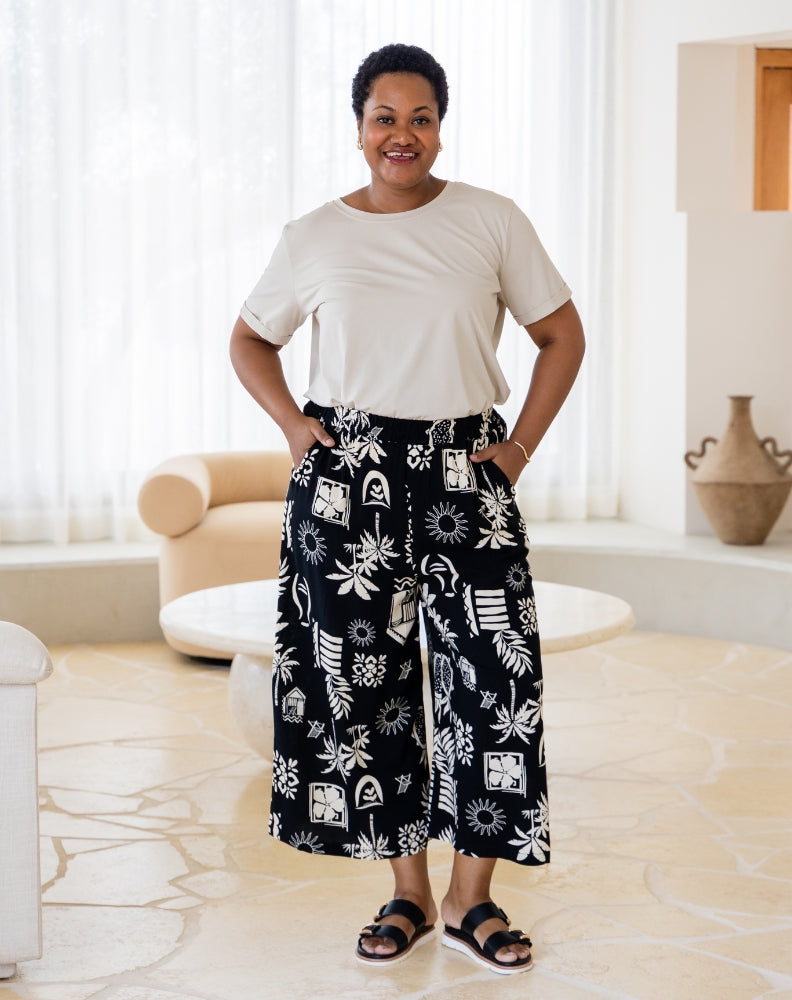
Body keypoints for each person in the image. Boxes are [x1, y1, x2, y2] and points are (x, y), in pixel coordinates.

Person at [230, 43, 585, 976]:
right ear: (358, 129)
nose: (402, 135)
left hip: (466, 471)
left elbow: (561, 335)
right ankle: (408, 892)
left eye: (419, 117)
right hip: (347, 485)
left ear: (440, 125)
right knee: (372, 691)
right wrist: (296, 431)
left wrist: (516, 451)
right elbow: (248, 339)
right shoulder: (313, 236)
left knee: (492, 688)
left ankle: (476, 900)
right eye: (384, 117)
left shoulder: (491, 221)